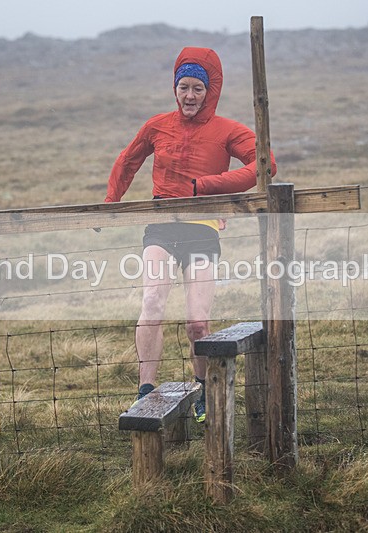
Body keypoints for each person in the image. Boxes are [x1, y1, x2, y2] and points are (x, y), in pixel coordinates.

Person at [105, 47, 277, 422]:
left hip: (202, 231)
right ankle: (145, 390)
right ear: (175, 88)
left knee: (197, 322)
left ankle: (201, 388)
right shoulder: (157, 125)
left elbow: (264, 165)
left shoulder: (229, 130)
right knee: (152, 303)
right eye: (183, 87)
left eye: (197, 88)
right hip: (162, 228)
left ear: (209, 90)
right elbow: (128, 160)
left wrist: (209, 186)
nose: (189, 96)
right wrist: (111, 202)